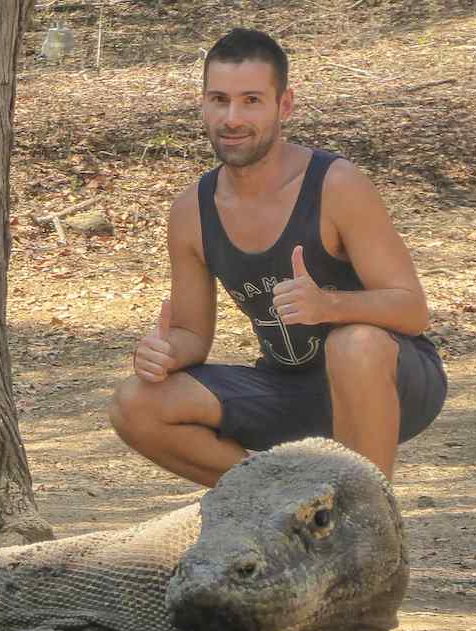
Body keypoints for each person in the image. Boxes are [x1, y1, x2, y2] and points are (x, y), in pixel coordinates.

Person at [109, 28, 446, 485]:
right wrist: (161, 354)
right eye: (219, 100)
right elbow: (191, 334)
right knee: (136, 403)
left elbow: (412, 309)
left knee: (354, 344)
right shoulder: (191, 210)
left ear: (283, 105)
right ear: (203, 105)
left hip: (390, 378)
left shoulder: (336, 185)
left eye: (251, 100)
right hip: (288, 388)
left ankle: (366, 520)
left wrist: (330, 306)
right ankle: (281, 499)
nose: (232, 118)